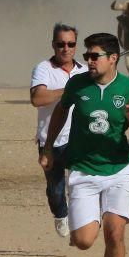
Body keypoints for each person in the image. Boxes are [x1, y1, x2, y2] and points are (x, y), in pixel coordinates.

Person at [39, 33, 129, 257]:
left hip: (118, 171)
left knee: (115, 233)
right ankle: (91, 217)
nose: (87, 60)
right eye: (87, 55)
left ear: (113, 59)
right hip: (83, 171)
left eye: (94, 55)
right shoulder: (77, 84)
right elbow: (60, 115)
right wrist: (49, 148)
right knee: (85, 240)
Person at [30, 24, 85, 238]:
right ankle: (61, 214)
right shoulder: (43, 68)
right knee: (55, 190)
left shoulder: (84, 71)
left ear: (75, 46)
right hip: (50, 142)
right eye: (61, 44)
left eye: (70, 44)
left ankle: (81, 222)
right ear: (53, 45)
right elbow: (37, 98)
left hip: (79, 140)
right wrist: (68, 91)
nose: (66, 48)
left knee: (82, 184)